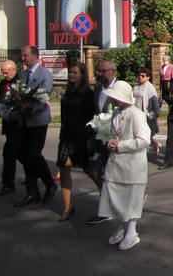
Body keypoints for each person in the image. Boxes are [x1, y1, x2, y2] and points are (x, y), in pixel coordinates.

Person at [98, 81, 150, 250]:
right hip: (116, 164)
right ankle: (121, 227)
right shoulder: (116, 113)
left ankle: (132, 232)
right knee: (116, 197)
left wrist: (120, 145)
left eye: (116, 97)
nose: (113, 100)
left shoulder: (136, 115)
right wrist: (110, 144)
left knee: (132, 198)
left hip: (133, 166)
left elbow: (143, 140)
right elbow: (114, 135)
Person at [56, 63, 100, 222]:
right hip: (67, 136)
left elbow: (90, 118)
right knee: (64, 167)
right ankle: (68, 207)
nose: (71, 75)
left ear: (82, 75)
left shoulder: (87, 93)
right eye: (70, 72)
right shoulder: (68, 91)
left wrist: (89, 139)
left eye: (75, 72)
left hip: (81, 136)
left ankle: (108, 196)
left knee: (88, 169)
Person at [14, 46, 56, 208]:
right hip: (24, 120)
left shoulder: (44, 74)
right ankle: (32, 192)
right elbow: (16, 92)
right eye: (22, 55)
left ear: (34, 56)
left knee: (34, 154)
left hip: (38, 120)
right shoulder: (22, 75)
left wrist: (30, 104)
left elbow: (45, 94)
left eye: (25, 55)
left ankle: (49, 183)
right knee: (23, 153)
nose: (22, 58)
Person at [87, 58, 119, 225]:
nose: (99, 74)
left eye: (102, 71)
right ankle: (107, 205)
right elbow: (96, 112)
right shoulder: (98, 88)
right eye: (98, 71)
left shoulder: (120, 88)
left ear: (112, 72)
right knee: (98, 171)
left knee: (111, 174)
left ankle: (111, 206)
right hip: (100, 137)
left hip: (115, 139)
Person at [0, 60, 20, 197]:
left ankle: (8, 184)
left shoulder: (20, 82)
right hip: (8, 124)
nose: (4, 75)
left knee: (10, 153)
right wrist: (0, 110)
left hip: (19, 125)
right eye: (2, 73)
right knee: (19, 154)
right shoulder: (3, 84)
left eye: (6, 72)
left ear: (14, 70)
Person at [133, 68, 160, 155]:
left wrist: (154, 113)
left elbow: (155, 102)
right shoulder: (136, 86)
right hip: (135, 112)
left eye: (143, 76)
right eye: (139, 75)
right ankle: (155, 144)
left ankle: (143, 151)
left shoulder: (150, 87)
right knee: (138, 132)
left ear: (148, 77)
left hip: (144, 114)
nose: (140, 77)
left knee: (143, 133)